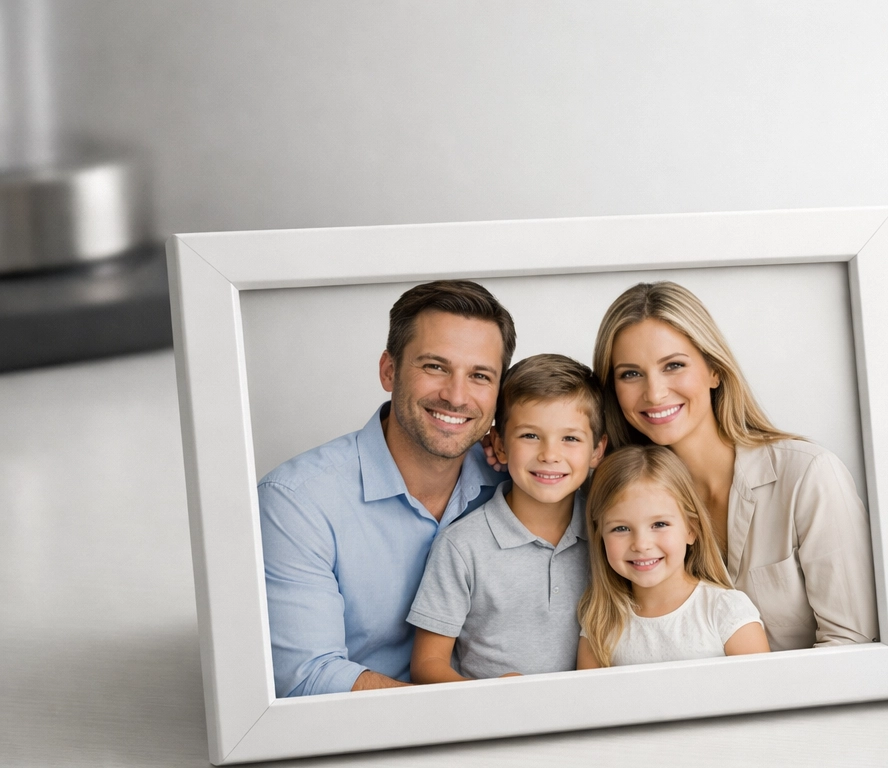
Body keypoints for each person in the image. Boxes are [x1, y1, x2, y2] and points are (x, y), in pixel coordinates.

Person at [258, 280, 514, 697]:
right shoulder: (295, 502)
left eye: (480, 376)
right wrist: (473, 715)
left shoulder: (515, 480)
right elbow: (308, 677)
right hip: (364, 742)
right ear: (389, 371)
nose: (456, 395)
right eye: (435, 366)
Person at [591, 281, 878, 651]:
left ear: (714, 370)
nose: (655, 392)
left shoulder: (808, 475)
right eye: (630, 373)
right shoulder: (616, 499)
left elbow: (851, 644)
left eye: (674, 365)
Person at [407, 354, 607, 681]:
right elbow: (427, 663)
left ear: (597, 451)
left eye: (570, 438)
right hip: (494, 724)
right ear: (499, 446)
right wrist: (492, 701)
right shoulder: (462, 547)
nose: (550, 455)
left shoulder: (608, 533)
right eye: (530, 435)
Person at [577, 445, 769, 668]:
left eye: (659, 524)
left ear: (691, 530)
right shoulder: (599, 625)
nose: (641, 544)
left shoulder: (726, 611)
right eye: (620, 528)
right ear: (600, 536)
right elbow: (590, 702)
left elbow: (762, 694)